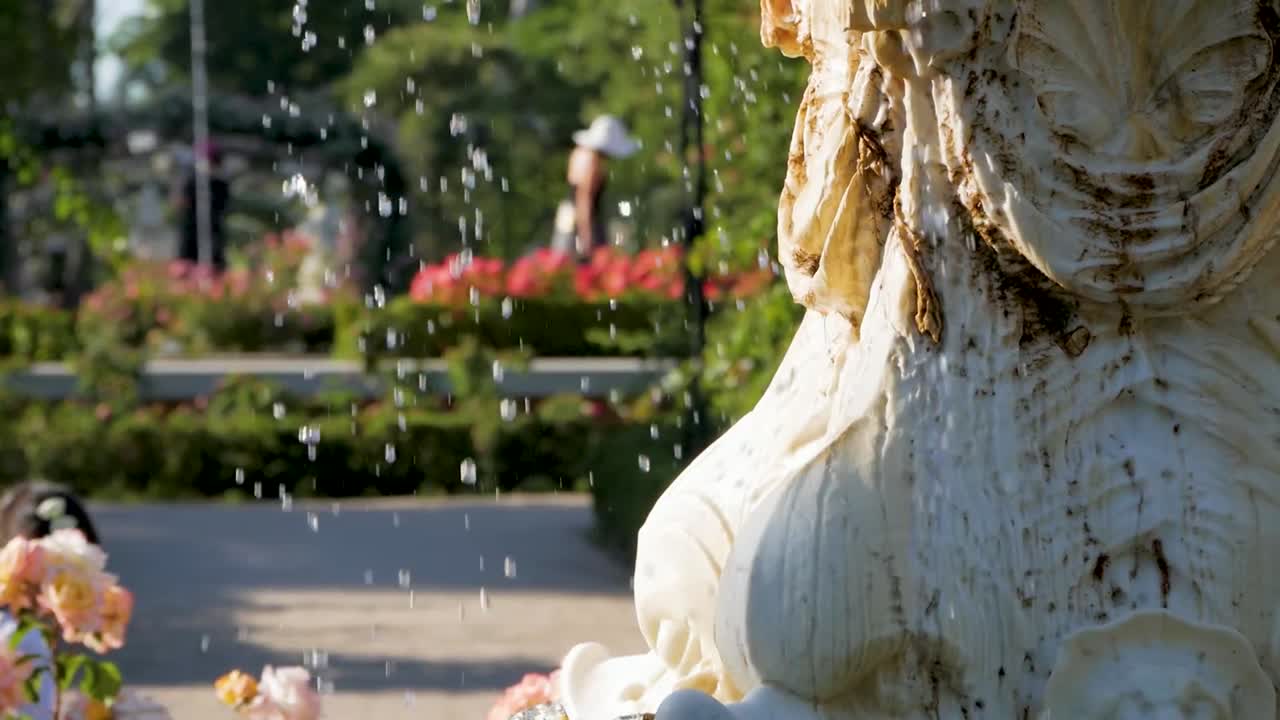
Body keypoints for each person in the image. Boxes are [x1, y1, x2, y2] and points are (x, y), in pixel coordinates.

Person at [552, 116, 639, 260]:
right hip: (581, 223)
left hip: (567, 219)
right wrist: (587, 239)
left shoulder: (578, 153)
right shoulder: (592, 161)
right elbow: (584, 198)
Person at [174, 141, 231, 271]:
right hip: (191, 235)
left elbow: (223, 206)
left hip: (212, 234)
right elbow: (181, 203)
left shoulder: (220, 184)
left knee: (213, 264)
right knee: (187, 265)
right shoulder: (192, 182)